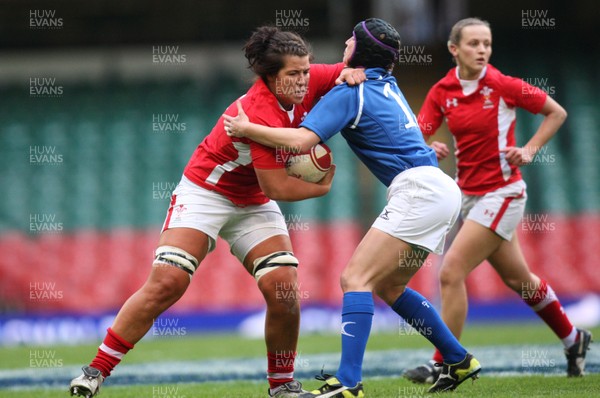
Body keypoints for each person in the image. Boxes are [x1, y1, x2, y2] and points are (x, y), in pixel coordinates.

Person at [69, 26, 367, 398]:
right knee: (167, 282)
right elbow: (278, 188)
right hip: (206, 192)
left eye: (306, 70)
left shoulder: (307, 79)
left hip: (252, 199)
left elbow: (341, 71)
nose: (304, 80)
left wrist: (349, 70)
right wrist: (323, 185)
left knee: (284, 289)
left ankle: (282, 387)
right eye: (294, 74)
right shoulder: (259, 111)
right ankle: (95, 371)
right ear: (270, 77)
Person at [224, 18, 481, 396]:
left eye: (350, 40)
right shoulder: (385, 84)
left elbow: (300, 141)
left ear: (359, 50)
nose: (345, 43)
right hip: (439, 186)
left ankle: (348, 383)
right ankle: (458, 360)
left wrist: (248, 130)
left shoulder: (349, 92)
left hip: (420, 190)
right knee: (391, 286)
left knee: (354, 280)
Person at [403, 17, 592, 384]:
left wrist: (531, 149)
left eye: (487, 43)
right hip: (469, 198)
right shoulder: (442, 91)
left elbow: (557, 112)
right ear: (454, 49)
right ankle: (574, 339)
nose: (482, 50)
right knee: (519, 280)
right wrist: (427, 147)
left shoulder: (502, 84)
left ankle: (445, 362)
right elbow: (417, 134)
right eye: (473, 44)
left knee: (450, 271)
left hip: (504, 193)